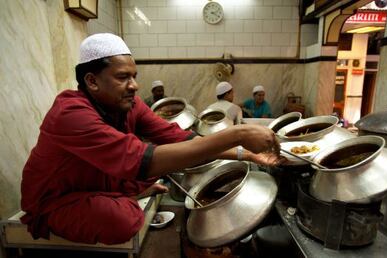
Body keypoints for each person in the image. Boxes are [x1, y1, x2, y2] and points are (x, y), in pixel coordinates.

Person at [20, 33, 283, 245]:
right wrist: (238, 133)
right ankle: (121, 197)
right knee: (125, 219)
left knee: (150, 177)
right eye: (123, 77)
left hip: (98, 181)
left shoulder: (129, 105)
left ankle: (120, 193)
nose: (134, 85)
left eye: (134, 76)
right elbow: (145, 161)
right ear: (92, 81)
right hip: (57, 200)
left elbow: (181, 138)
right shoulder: (70, 114)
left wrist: (247, 155)